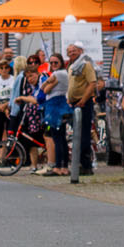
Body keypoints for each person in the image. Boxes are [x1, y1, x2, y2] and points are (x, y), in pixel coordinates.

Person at [64, 41, 97, 176]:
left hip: (83, 104)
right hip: (73, 104)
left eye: (74, 50)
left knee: (83, 135)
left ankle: (86, 165)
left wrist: (83, 100)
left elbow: (92, 83)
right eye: (70, 51)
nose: (72, 53)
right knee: (76, 135)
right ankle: (80, 164)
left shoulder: (85, 65)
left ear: (80, 51)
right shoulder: (71, 66)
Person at [40, 53, 72, 175]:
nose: (53, 65)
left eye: (55, 62)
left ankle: (58, 167)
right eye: (51, 63)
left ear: (61, 63)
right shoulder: (64, 74)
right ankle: (64, 166)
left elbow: (44, 89)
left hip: (55, 106)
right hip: (61, 105)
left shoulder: (58, 74)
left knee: (57, 138)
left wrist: (48, 83)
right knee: (61, 138)